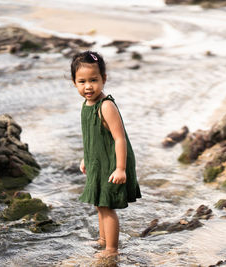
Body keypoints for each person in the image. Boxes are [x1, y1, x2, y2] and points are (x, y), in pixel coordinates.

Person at [71, 51, 141, 258]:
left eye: (94, 80)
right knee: (99, 202)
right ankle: (102, 240)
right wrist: (87, 157)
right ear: (74, 83)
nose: (88, 86)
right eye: (81, 81)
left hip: (113, 162)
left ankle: (111, 249)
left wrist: (120, 168)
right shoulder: (86, 105)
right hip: (97, 160)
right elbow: (92, 136)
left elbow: (119, 139)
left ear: (104, 79)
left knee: (107, 205)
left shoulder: (106, 106)